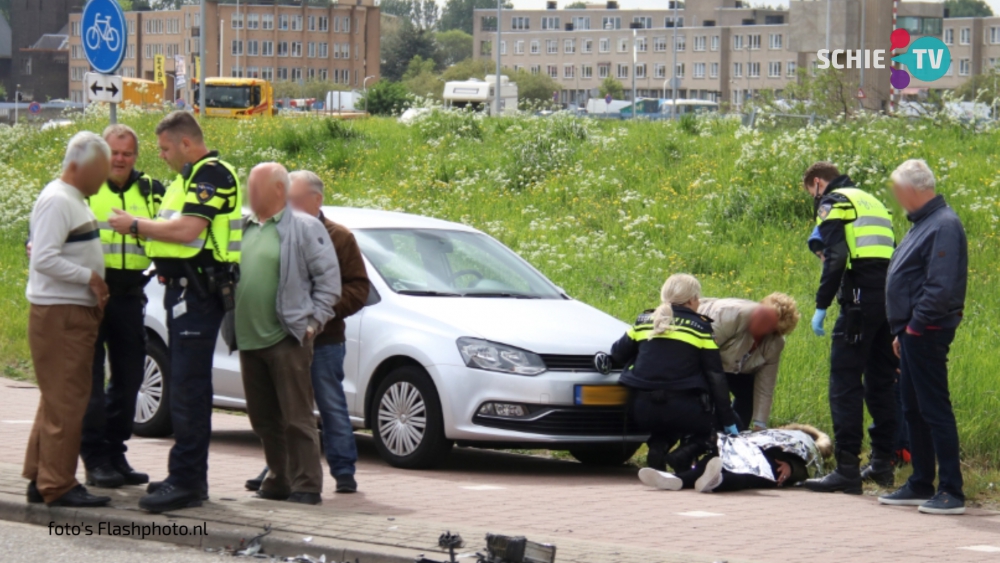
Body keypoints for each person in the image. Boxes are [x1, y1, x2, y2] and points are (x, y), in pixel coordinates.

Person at [107, 111, 242, 513]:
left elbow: (186, 231)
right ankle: (184, 475)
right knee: (184, 388)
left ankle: (187, 482)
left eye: (165, 148)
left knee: (188, 390)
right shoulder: (185, 179)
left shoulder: (211, 174)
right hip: (182, 292)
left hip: (199, 294)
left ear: (186, 143)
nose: (162, 156)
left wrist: (135, 226)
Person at [244, 170, 370, 495]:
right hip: (286, 336)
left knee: (327, 406)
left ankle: (343, 473)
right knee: (282, 409)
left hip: (324, 339)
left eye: (295, 198)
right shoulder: (277, 229)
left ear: (317, 200)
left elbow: (356, 287)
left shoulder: (338, 236)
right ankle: (278, 472)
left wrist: (317, 316)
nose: (288, 204)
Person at [228, 163, 341, 506]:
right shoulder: (242, 226)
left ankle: (307, 485)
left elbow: (329, 282)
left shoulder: (304, 228)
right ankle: (279, 479)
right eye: (249, 186)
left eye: (256, 187)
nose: (250, 193)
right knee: (263, 418)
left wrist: (313, 322)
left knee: (296, 417)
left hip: (287, 338)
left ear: (279, 190)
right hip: (248, 338)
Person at [800, 162, 899, 495]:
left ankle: (846, 469)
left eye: (811, 193)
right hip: (890, 301)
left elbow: (836, 256)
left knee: (844, 382)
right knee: (881, 382)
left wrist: (821, 304)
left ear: (817, 183)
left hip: (858, 303)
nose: (814, 199)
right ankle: (883, 464)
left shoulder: (835, 202)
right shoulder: (874, 203)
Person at [23, 132, 111, 507]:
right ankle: (58, 485)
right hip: (61, 312)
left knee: (56, 398)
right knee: (68, 400)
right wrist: (89, 277)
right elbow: (42, 257)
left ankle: (39, 476)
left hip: (68, 311)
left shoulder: (72, 199)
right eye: (100, 170)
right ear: (78, 166)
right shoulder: (59, 200)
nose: (104, 178)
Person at [879, 160, 968, 515]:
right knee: (912, 408)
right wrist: (903, 330)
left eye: (899, 191)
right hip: (912, 330)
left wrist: (914, 327)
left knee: (933, 408)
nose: (897, 199)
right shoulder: (924, 224)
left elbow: (940, 286)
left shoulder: (944, 224)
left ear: (916, 190)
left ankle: (952, 490)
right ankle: (920, 481)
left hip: (927, 330)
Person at [79, 125, 164, 489]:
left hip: (130, 294)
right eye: (114, 152)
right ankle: (95, 458)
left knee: (130, 380)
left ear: (136, 157)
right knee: (92, 383)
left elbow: (170, 231)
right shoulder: (86, 190)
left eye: (127, 153)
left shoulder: (151, 191)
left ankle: (115, 452)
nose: (120, 159)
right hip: (90, 296)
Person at [611, 273, 740, 474]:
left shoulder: (644, 320)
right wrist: (728, 420)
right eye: (698, 298)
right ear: (691, 300)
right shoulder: (701, 327)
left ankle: (657, 448)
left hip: (641, 411)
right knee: (721, 423)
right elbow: (715, 376)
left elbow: (617, 353)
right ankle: (685, 453)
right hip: (683, 409)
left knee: (669, 420)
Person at [698, 293, 800, 431]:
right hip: (705, 357)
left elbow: (765, 386)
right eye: (761, 316)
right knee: (710, 401)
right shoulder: (730, 315)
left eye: (768, 324)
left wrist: (760, 424)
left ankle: (737, 438)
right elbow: (701, 353)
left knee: (748, 394)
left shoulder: (775, 344)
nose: (761, 322)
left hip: (735, 366)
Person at [638, 424, 832, 493]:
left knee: (743, 476)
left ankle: (716, 481)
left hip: (770, 468)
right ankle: (677, 480)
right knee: (714, 460)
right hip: (744, 451)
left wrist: (790, 466)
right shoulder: (775, 436)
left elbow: (806, 469)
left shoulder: (807, 450)